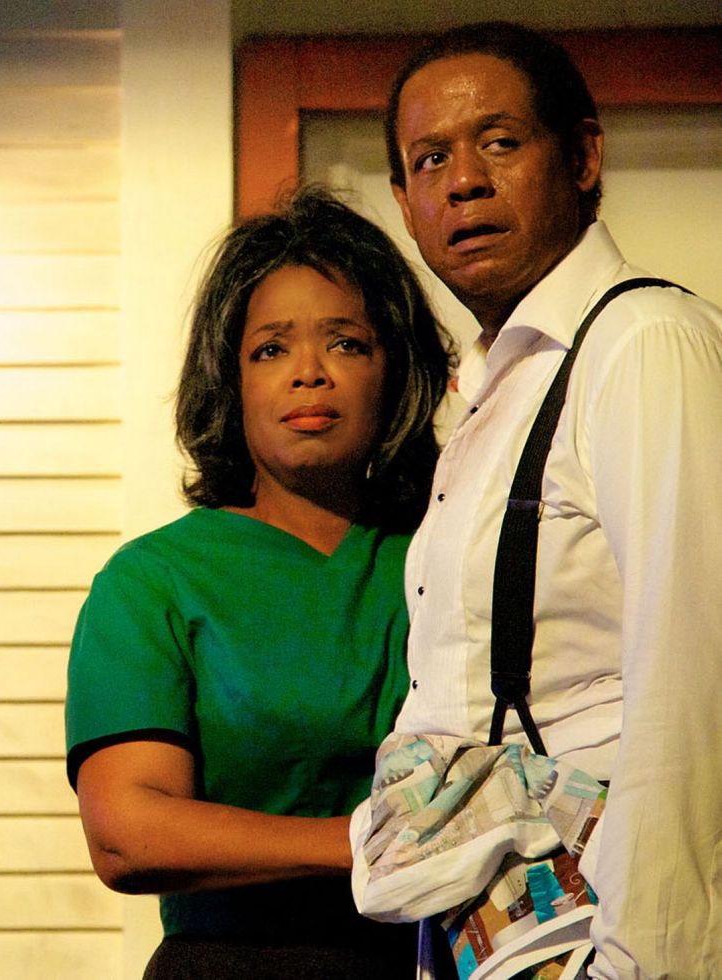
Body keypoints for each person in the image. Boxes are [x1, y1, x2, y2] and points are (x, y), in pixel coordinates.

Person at [376, 21, 722, 978]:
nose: (464, 181)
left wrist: (649, 964)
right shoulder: (500, 383)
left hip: (617, 937)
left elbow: (694, 681)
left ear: (583, 157)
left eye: (500, 142)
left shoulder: (644, 342)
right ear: (404, 201)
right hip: (509, 933)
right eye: (429, 159)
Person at [65, 186, 451, 978]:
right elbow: (125, 834)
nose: (309, 374)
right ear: (228, 379)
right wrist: (368, 844)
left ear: (396, 371)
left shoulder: (452, 552)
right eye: (271, 350)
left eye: (346, 343)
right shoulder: (155, 582)